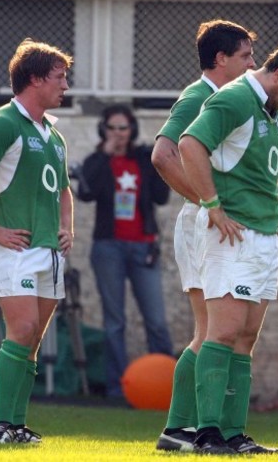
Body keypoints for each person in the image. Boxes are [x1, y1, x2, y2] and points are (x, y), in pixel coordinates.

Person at [179, 39, 278, 455]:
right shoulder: (235, 99)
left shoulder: (275, 113)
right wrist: (212, 206)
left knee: (245, 338)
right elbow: (190, 145)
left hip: (263, 236)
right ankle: (206, 434)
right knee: (221, 333)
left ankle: (234, 433)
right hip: (232, 235)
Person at [0, 38, 74, 444]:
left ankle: (17, 426)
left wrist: (67, 227)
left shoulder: (54, 136)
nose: (65, 86)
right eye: (60, 78)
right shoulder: (1, 124)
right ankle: (2, 426)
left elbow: (63, 190)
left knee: (32, 342)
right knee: (21, 330)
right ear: (36, 79)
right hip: (16, 248)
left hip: (48, 250)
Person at [151, 20, 258, 452]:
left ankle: (210, 431)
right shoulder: (199, 96)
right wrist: (208, 202)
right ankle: (179, 429)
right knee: (210, 330)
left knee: (222, 330)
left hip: (216, 219)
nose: (253, 63)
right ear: (221, 59)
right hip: (203, 222)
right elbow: (162, 153)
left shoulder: (229, 100)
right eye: (246, 55)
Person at [76, 104, 173, 399]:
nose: (118, 134)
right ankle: (118, 389)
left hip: (143, 245)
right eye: (112, 128)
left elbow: (161, 196)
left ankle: (170, 387)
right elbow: (84, 192)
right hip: (109, 248)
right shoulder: (97, 160)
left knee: (155, 318)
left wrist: (163, 160)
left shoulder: (143, 158)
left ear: (132, 130)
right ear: (103, 130)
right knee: (115, 321)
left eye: (123, 128)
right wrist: (105, 154)